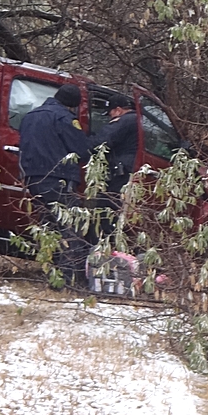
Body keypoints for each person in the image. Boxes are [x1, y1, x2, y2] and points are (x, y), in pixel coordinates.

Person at [18, 83, 92, 286]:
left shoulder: (31, 116)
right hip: (57, 180)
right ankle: (67, 282)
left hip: (33, 180)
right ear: (72, 105)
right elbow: (81, 151)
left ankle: (50, 274)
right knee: (71, 229)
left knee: (49, 227)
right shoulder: (65, 119)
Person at [91, 93, 140, 237]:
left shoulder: (125, 121)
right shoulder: (138, 120)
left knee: (106, 210)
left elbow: (100, 143)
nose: (110, 117)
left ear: (118, 110)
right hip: (128, 171)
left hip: (120, 174)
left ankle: (104, 245)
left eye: (110, 113)